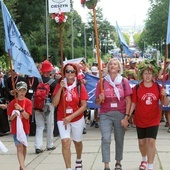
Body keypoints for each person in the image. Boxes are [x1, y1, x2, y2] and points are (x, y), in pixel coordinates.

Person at [129, 60, 169, 170]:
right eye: (145, 73)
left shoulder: (158, 87)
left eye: (150, 73)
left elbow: (165, 103)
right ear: (142, 74)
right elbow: (133, 104)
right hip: (140, 119)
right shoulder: (137, 88)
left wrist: (165, 95)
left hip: (154, 119)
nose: (147, 76)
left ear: (153, 75)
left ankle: (150, 166)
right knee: (142, 143)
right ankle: (143, 159)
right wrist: (127, 117)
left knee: (151, 142)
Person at [95, 58, 132, 170]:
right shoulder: (102, 82)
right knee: (105, 138)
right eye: (110, 64)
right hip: (105, 114)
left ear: (119, 67)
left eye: (115, 64)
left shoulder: (123, 81)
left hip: (120, 113)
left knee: (119, 139)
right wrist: (100, 99)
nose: (112, 65)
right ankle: (106, 165)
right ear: (108, 67)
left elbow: (129, 100)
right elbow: (97, 102)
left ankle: (118, 162)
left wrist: (126, 117)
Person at [52, 63, 88, 170]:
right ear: (64, 73)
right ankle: (68, 168)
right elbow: (54, 103)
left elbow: (84, 106)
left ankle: (79, 159)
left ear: (76, 73)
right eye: (67, 71)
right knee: (65, 142)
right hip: (62, 118)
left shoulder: (79, 86)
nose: (70, 73)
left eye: (72, 71)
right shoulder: (60, 84)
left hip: (76, 118)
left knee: (77, 141)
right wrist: (60, 89)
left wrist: (71, 117)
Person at [34, 60, 58, 154]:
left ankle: (38, 146)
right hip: (48, 105)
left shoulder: (37, 80)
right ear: (49, 71)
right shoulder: (53, 82)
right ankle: (49, 144)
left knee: (39, 126)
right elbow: (54, 96)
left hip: (37, 105)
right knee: (49, 125)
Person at [7, 81, 32, 170]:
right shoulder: (12, 103)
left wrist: (21, 109)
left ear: (26, 91)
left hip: (25, 128)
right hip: (16, 129)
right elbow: (10, 118)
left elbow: (27, 116)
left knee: (24, 147)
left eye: (24, 90)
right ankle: (23, 167)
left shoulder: (28, 102)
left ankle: (22, 165)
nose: (22, 92)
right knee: (19, 147)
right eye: (20, 90)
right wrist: (14, 114)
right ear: (16, 91)